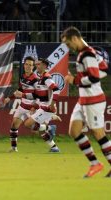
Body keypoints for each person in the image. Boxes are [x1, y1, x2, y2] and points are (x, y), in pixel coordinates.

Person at [61, 26, 111, 178]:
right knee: (74, 131)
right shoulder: (90, 52)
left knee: (98, 133)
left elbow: (94, 77)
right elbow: (104, 68)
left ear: (75, 38)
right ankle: (95, 164)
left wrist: (74, 80)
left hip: (93, 100)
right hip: (84, 100)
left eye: (68, 44)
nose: (69, 47)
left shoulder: (87, 55)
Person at [6, 57, 60, 152]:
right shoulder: (23, 77)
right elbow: (22, 90)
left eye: (31, 65)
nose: (28, 66)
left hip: (32, 107)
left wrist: (34, 105)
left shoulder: (36, 79)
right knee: (14, 125)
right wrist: (10, 98)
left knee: (36, 129)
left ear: (33, 67)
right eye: (26, 64)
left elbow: (36, 95)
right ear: (24, 65)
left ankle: (53, 143)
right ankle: (14, 148)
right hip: (23, 106)